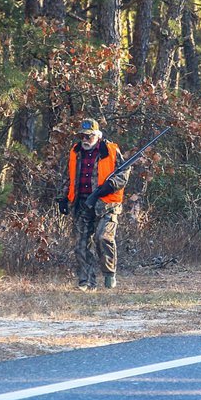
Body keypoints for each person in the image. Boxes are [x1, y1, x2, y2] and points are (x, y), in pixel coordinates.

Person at [57, 118, 130, 291]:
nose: (85, 139)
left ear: (98, 135)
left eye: (89, 136)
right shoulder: (75, 151)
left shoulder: (110, 150)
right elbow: (70, 177)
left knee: (103, 237)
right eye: (82, 136)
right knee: (80, 245)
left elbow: (124, 172)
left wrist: (110, 185)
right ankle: (86, 282)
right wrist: (64, 198)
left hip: (107, 204)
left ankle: (109, 274)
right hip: (81, 203)